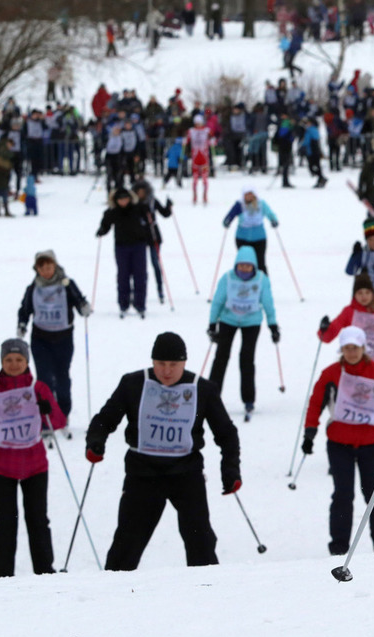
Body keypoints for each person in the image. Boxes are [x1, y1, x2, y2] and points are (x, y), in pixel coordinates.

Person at [84, 332, 241, 570]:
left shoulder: (202, 389)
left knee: (200, 540)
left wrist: (230, 470)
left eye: (174, 365)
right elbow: (104, 419)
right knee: (127, 542)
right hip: (143, 473)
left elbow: (227, 434)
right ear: (152, 362)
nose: (167, 371)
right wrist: (96, 441)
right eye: (160, 364)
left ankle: (208, 591)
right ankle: (112, 591)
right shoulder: (134, 384)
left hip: (186, 473)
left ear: (184, 363)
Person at [0, 338, 67, 577]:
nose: (14, 364)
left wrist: (48, 409)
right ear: (1, 362)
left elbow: (59, 422)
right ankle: (3, 574)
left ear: (27, 361)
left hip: (35, 465)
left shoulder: (38, 389)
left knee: (38, 520)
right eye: (8, 359)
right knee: (6, 523)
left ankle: (45, 570)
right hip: (1, 467)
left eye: (19, 359)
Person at [302, 325, 374, 555]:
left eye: (355, 348)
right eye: (347, 348)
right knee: (343, 495)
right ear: (342, 350)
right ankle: (339, 547)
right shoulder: (331, 374)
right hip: (340, 443)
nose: (351, 352)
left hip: (372, 444)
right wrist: (310, 431)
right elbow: (315, 403)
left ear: (363, 348)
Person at [17, 250, 92, 429]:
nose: (46, 270)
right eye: (42, 267)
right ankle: (45, 416)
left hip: (64, 338)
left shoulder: (66, 284)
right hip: (41, 339)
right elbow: (25, 308)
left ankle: (63, 414)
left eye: (49, 266)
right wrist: (22, 324)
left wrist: (84, 308)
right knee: (44, 380)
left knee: (62, 378)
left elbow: (79, 301)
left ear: (55, 265)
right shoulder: (33, 287)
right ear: (37, 269)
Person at [207, 246, 280, 418]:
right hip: (228, 320)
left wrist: (273, 326)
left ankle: (248, 399)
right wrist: (212, 324)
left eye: (248, 266)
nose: (244, 269)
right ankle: (210, 396)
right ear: (236, 265)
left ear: (254, 266)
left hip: (251, 322)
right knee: (221, 357)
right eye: (241, 266)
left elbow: (268, 303)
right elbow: (218, 301)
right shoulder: (228, 278)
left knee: (246, 359)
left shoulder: (261, 279)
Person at [96, 187, 152, 318]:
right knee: (123, 276)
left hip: (139, 245)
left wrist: (149, 237)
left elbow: (148, 222)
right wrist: (101, 230)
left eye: (125, 198)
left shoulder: (138, 209)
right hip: (121, 247)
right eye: (120, 199)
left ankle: (140, 304)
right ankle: (123, 304)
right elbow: (106, 225)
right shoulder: (113, 212)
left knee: (140, 276)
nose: (123, 201)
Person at [222, 186, 279, 276]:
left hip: (259, 238)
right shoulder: (240, 205)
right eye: (246, 194)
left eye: (251, 194)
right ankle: (242, 281)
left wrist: (273, 220)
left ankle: (263, 282)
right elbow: (231, 215)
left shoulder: (261, 204)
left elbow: (269, 213)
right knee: (244, 261)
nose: (249, 196)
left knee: (260, 262)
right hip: (242, 238)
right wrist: (227, 221)